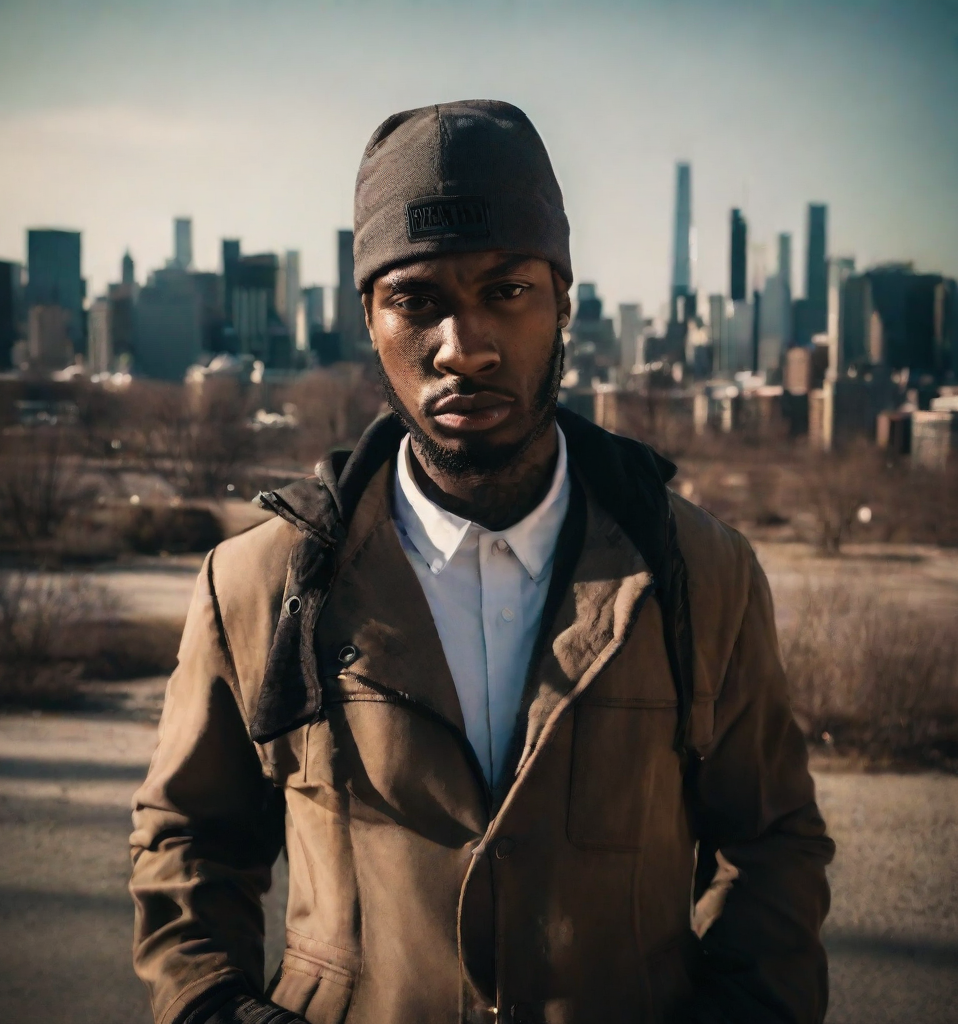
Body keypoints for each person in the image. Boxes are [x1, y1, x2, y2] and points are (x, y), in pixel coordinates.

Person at [130, 100, 834, 1024]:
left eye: (508, 290)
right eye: (417, 300)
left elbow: (772, 844)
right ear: (369, 319)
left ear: (565, 304)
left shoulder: (700, 574)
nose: (465, 348)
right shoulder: (259, 586)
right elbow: (189, 847)